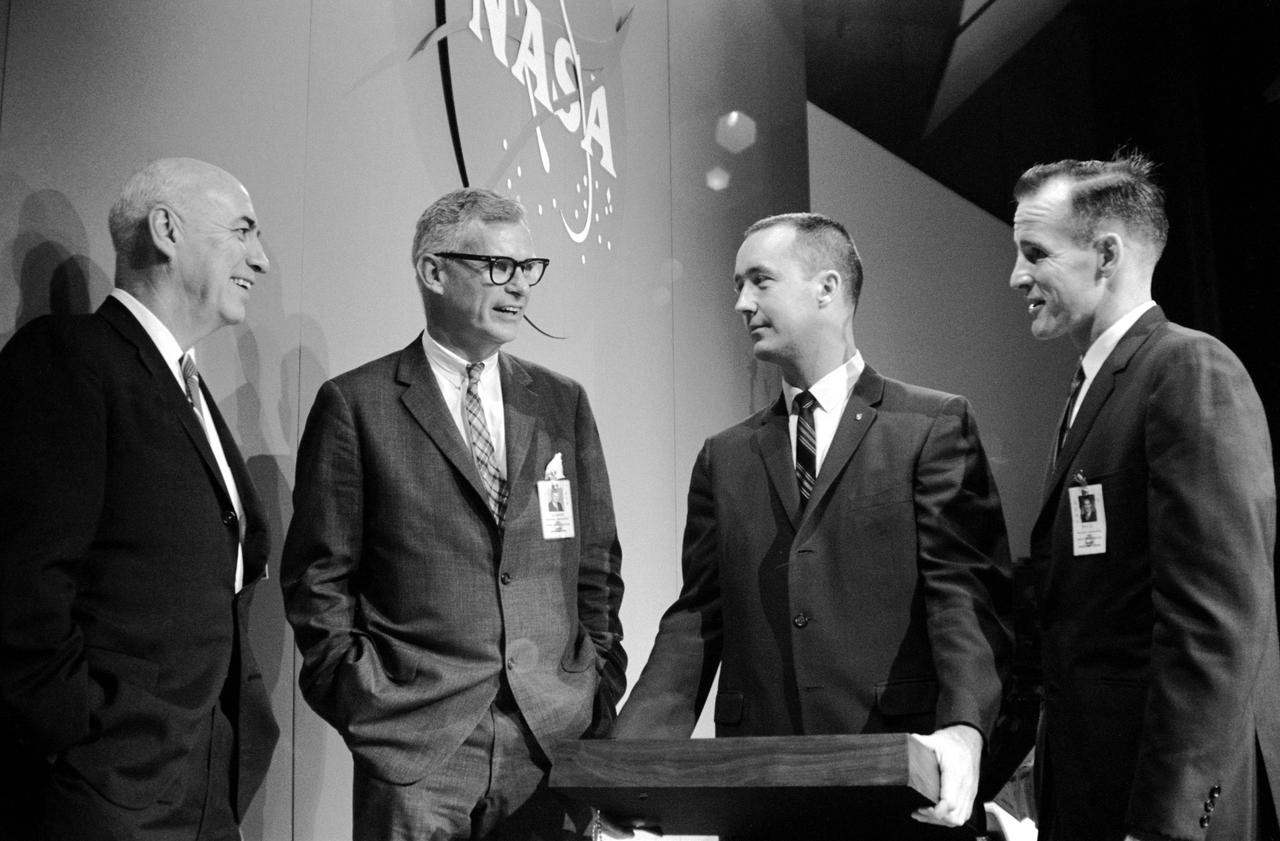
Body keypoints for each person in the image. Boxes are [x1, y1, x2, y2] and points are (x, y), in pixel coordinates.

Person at [611, 212, 1012, 838]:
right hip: (763, 788)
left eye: (760, 281)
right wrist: (628, 763)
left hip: (897, 780)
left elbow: (963, 596)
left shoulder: (930, 425)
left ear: (826, 288)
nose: (742, 303)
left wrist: (964, 731)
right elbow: (697, 618)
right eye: (738, 286)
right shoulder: (726, 455)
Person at [280, 187, 626, 841]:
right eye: (498, 266)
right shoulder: (357, 405)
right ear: (434, 271)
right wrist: (372, 708)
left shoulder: (560, 402)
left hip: (549, 744)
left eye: (528, 268)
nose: (520, 286)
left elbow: (597, 567)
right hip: (417, 748)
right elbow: (317, 580)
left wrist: (593, 687)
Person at [0, 157, 279, 840]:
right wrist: (88, 738)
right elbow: (22, 583)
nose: (261, 259)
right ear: (166, 229)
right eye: (243, 231)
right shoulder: (71, 359)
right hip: (108, 794)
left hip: (204, 786)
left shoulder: (187, 386)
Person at [1009, 152, 1280, 841]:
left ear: (1105, 254)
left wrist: (1165, 825)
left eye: (1034, 253)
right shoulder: (1094, 391)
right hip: (1095, 800)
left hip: (1157, 814)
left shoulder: (1187, 367)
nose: (1017, 276)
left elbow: (1214, 624)